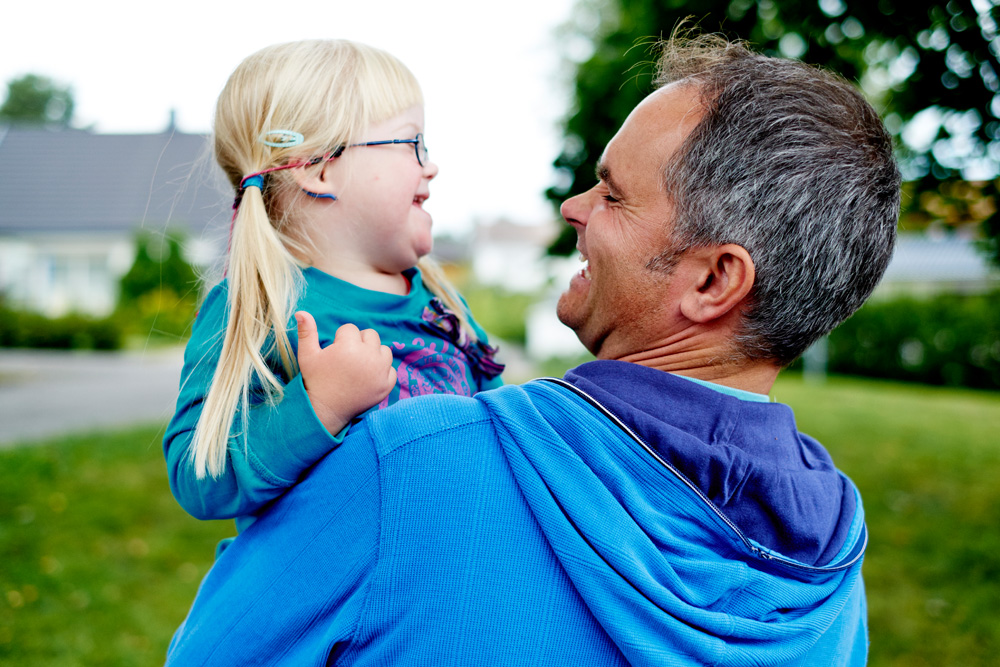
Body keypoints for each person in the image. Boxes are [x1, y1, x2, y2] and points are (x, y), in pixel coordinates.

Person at [166, 33, 899, 666]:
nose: (571, 207)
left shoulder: (409, 463)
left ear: (713, 279)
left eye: (612, 195)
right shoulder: (834, 572)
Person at [162, 40, 503, 547]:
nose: (431, 167)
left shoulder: (439, 297)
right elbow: (198, 476)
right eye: (412, 144)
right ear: (321, 170)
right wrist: (319, 405)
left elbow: (495, 440)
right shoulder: (261, 304)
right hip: (333, 607)